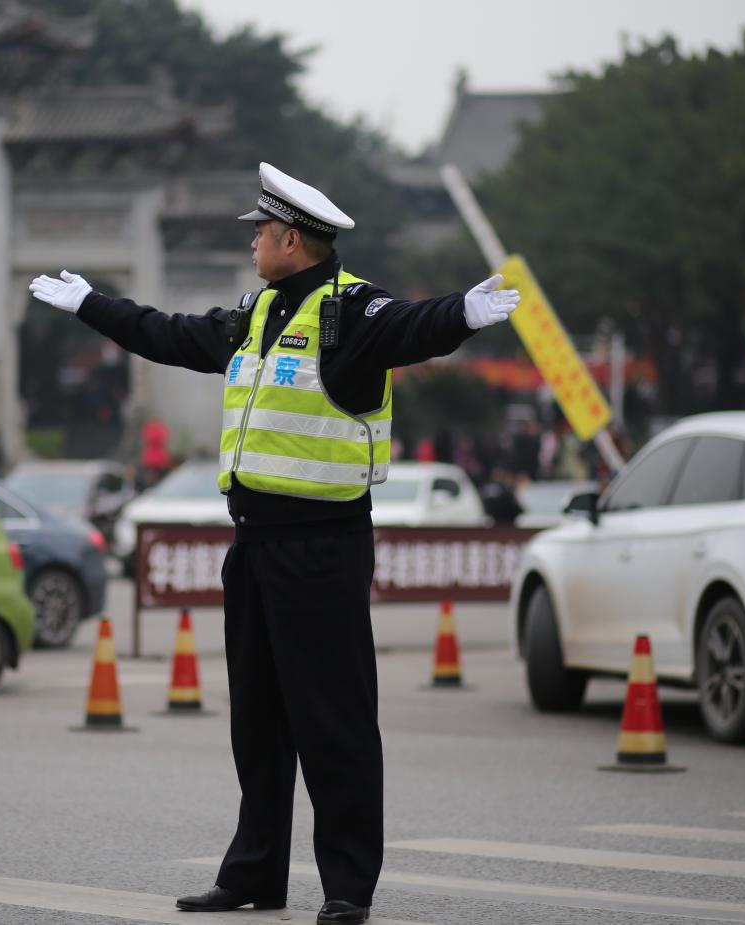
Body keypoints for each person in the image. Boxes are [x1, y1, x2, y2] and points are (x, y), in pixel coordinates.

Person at [29, 162, 519, 925]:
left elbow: (411, 324)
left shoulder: (349, 311)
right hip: (254, 545)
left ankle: (348, 884)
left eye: (260, 231)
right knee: (257, 719)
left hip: (322, 546)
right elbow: (173, 334)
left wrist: (462, 313)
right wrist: (93, 305)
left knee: (334, 722)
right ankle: (255, 871)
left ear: (291, 238)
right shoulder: (258, 313)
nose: (252, 242)